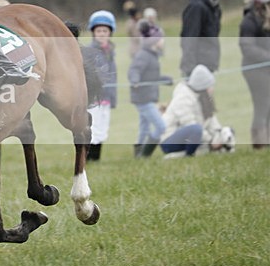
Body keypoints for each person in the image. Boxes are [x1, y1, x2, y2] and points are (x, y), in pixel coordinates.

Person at [159, 64, 225, 158]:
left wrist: (219, 133)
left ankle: (201, 151)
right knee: (195, 129)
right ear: (202, 86)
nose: (212, 89)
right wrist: (211, 141)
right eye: (209, 86)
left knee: (226, 131)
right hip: (169, 140)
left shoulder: (203, 98)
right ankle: (187, 155)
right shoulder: (183, 98)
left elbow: (211, 119)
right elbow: (189, 124)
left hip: (189, 137)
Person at [128, 22, 173, 158]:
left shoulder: (152, 55)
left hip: (147, 97)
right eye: (161, 38)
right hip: (143, 98)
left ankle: (139, 153)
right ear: (154, 41)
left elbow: (151, 77)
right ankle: (145, 154)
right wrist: (135, 80)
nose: (163, 41)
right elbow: (134, 70)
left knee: (144, 127)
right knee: (161, 127)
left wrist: (165, 79)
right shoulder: (144, 55)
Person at [180, 0, 229, 76]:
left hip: (208, 67)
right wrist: (190, 70)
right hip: (196, 69)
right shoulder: (197, 7)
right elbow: (189, 39)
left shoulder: (215, 9)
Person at [239, 0, 270, 149]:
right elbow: (247, 47)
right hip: (255, 71)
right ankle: (260, 145)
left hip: (266, 69)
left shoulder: (265, 17)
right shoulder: (250, 21)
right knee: (263, 106)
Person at [86, 10, 118, 161]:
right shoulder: (91, 52)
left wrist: (113, 97)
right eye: (98, 30)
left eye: (105, 30)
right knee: (94, 128)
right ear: (93, 32)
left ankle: (96, 158)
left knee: (103, 128)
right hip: (94, 98)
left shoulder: (110, 51)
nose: (102, 33)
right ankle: (89, 159)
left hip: (106, 97)